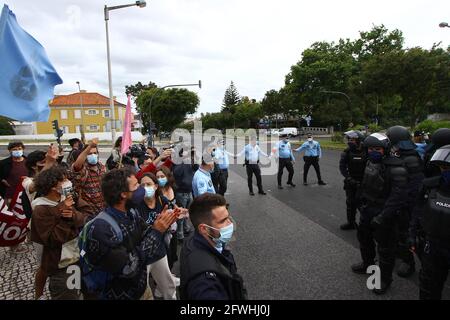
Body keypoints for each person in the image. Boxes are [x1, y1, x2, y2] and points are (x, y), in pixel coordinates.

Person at [80, 168, 180, 300]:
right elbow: (129, 268)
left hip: (139, 289)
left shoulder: (131, 212)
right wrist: (157, 231)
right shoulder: (102, 229)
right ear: (123, 194)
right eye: (137, 186)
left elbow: (145, 233)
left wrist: (162, 223)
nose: (142, 189)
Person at [351, 131, 418, 294]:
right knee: (364, 238)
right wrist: (359, 200)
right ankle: (367, 264)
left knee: (385, 248)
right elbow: (365, 183)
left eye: (377, 149)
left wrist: (383, 216)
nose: (373, 152)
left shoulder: (396, 167)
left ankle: (384, 279)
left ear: (385, 149)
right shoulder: (369, 162)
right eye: (370, 149)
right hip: (368, 209)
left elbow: (398, 196)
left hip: (385, 213)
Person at [30, 165, 88, 300]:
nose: (68, 182)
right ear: (52, 186)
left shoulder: (69, 196)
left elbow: (87, 214)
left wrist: (74, 216)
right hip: (63, 265)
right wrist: (65, 217)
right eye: (63, 180)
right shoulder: (41, 209)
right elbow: (52, 239)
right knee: (68, 295)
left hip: (80, 257)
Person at [180, 193, 247, 300]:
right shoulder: (204, 283)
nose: (230, 223)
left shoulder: (199, 237)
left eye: (228, 217)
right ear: (204, 229)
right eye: (223, 221)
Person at [136, 173, 182, 300]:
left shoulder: (162, 200)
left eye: (149, 184)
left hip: (159, 250)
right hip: (143, 253)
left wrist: (175, 215)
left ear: (156, 186)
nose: (145, 188)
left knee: (168, 285)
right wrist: (156, 227)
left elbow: (173, 214)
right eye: (142, 185)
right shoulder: (136, 206)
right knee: (143, 291)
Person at [414, 145, 450, 299]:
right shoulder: (430, 185)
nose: (446, 171)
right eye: (443, 167)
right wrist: (413, 234)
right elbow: (417, 211)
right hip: (433, 244)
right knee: (428, 284)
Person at [339, 130, 366, 230]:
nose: (350, 141)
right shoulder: (347, 152)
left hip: (364, 183)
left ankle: (366, 224)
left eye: (353, 139)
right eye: (349, 139)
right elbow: (342, 167)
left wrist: (365, 181)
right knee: (350, 203)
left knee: (363, 205)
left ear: (359, 140)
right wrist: (349, 178)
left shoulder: (366, 151)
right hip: (351, 182)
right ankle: (351, 223)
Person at [72, 138, 106, 215]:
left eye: (95, 153)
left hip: (103, 209)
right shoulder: (83, 168)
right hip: (88, 211)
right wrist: (90, 146)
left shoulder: (102, 167)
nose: (93, 155)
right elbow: (77, 165)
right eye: (89, 154)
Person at [172, 149, 196, 242]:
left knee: (187, 213)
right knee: (181, 214)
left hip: (189, 191)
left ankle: (186, 229)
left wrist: (193, 157)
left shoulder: (190, 162)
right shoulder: (178, 162)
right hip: (181, 192)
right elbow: (176, 173)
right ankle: (180, 235)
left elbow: (196, 167)